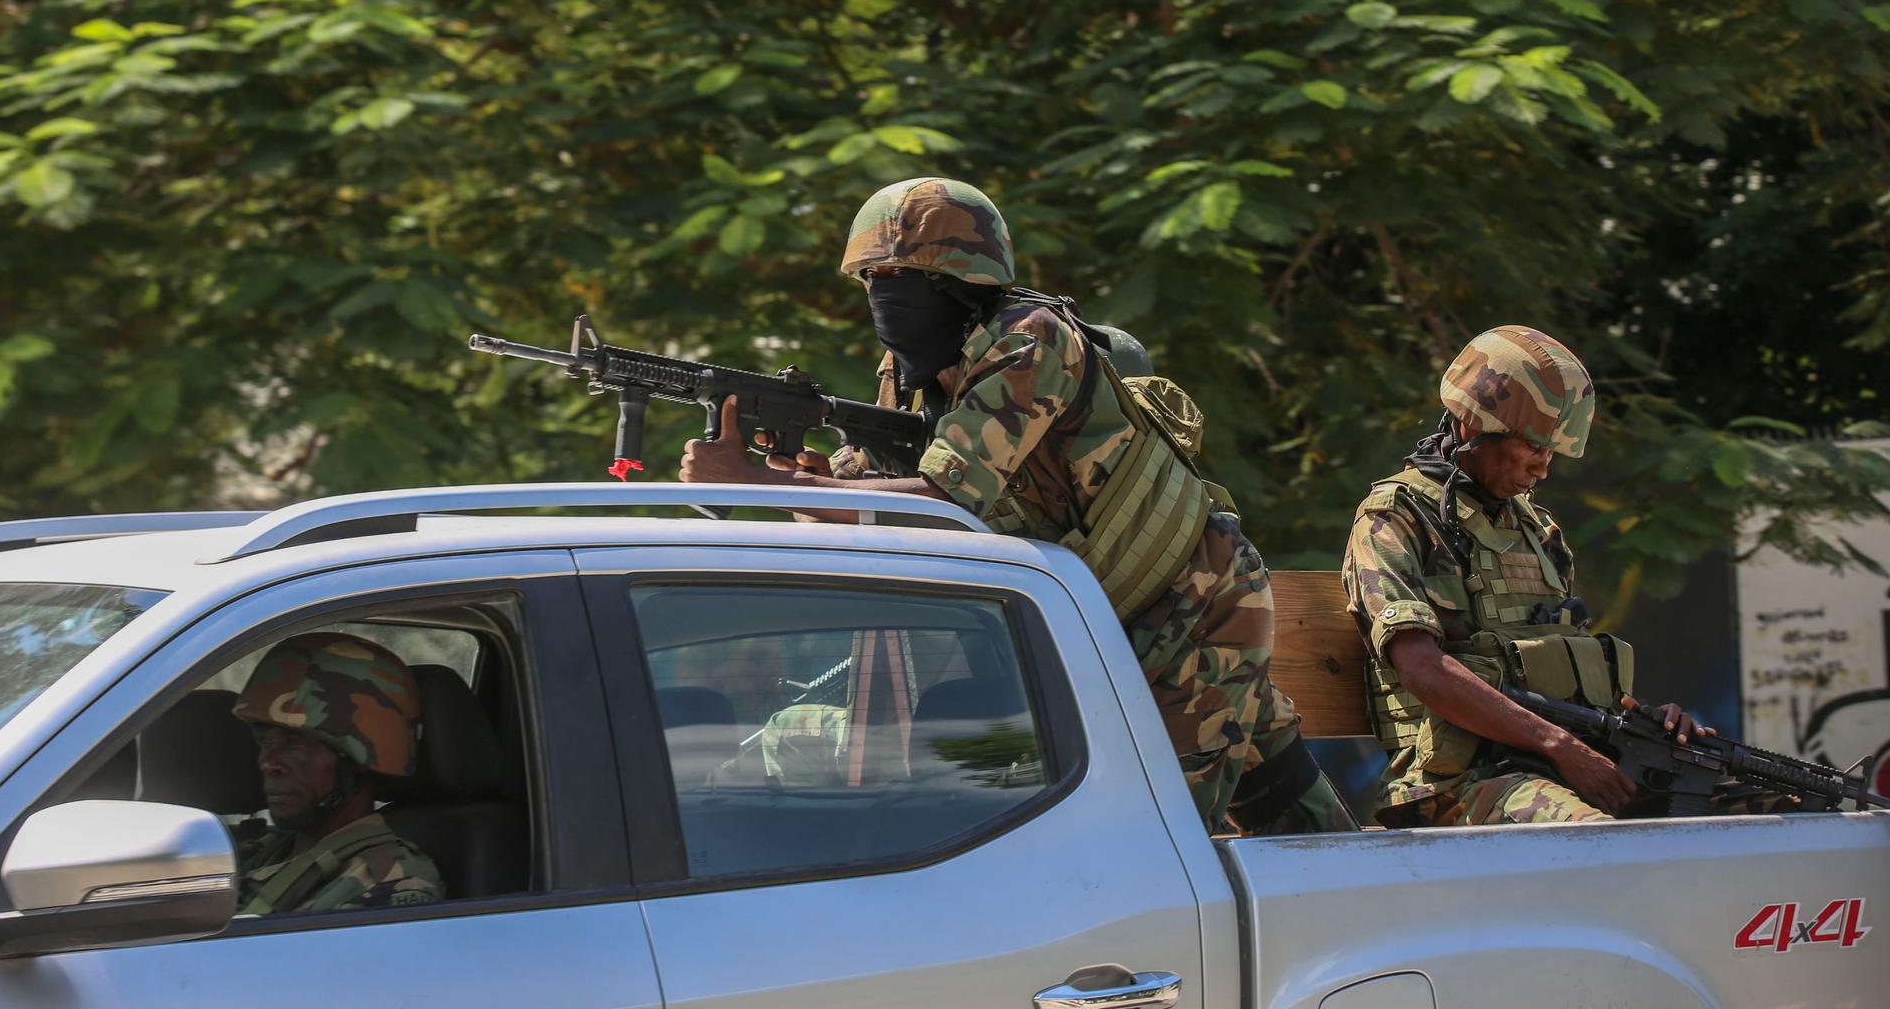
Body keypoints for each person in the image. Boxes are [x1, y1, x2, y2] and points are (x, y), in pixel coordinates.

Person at [681, 176, 1354, 835]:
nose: (881, 297)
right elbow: (863, 503)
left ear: (958, 282)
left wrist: (755, 485)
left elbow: (946, 502)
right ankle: (1377, 891)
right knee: (1277, 785)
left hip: (1187, 600)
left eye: (899, 279)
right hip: (1106, 603)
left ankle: (1368, 905)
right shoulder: (911, 370)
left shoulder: (1029, 339)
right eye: (870, 282)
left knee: (1156, 831)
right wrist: (807, 480)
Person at [1343, 325, 1728, 826]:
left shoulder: (1536, 529)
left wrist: (1651, 724)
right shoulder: (1396, 518)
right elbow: (1421, 668)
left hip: (1560, 764)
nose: (1542, 469)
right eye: (1532, 447)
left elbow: (1561, 666)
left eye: (1550, 453)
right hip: (1463, 784)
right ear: (1470, 424)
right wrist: (1560, 746)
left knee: (1759, 815)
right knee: (1599, 838)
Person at [229, 632, 444, 913]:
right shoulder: (264, 852)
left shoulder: (391, 879)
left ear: (359, 759)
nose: (268, 763)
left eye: (295, 743)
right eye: (266, 741)